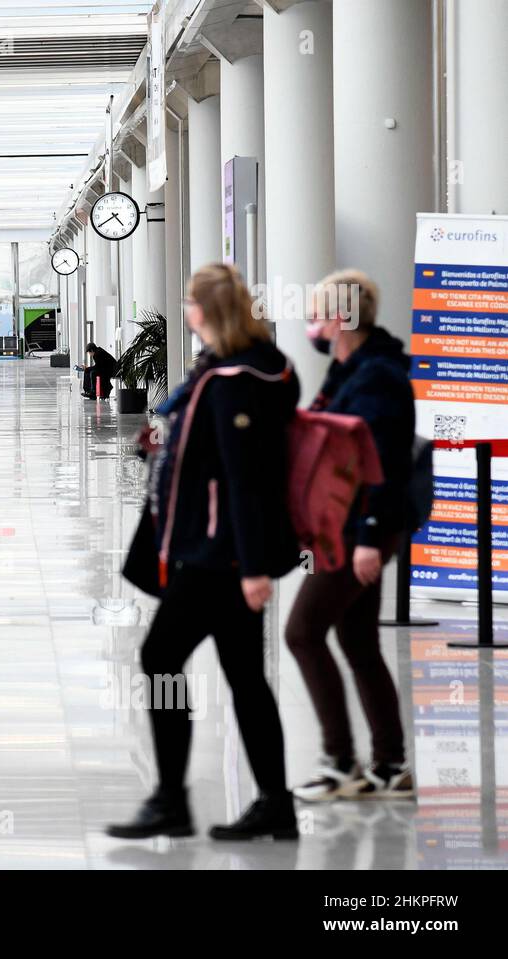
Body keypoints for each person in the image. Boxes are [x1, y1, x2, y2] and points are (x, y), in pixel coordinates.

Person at [111, 262, 302, 841]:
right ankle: (275, 803)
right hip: (221, 550)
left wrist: (251, 568)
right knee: (245, 674)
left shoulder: (235, 379)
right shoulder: (251, 369)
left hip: (218, 555)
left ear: (207, 311)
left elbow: (245, 478)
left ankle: (173, 799)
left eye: (191, 304)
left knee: (160, 656)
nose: (186, 312)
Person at [286, 269, 415, 801]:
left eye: (317, 314)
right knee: (357, 639)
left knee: (302, 632)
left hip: (358, 529)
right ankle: (390, 766)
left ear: (340, 318)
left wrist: (369, 536)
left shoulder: (376, 377)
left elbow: (380, 463)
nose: (311, 324)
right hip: (341, 526)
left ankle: (343, 762)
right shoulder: (348, 371)